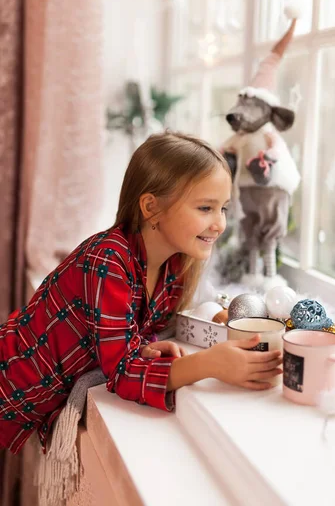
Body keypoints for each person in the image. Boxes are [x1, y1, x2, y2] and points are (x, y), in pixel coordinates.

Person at [0, 131, 283, 455]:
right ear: (151, 207)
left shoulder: (173, 268)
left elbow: (121, 345)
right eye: (206, 208)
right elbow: (122, 375)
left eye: (223, 209)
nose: (219, 224)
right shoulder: (107, 260)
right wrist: (210, 364)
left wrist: (140, 345)